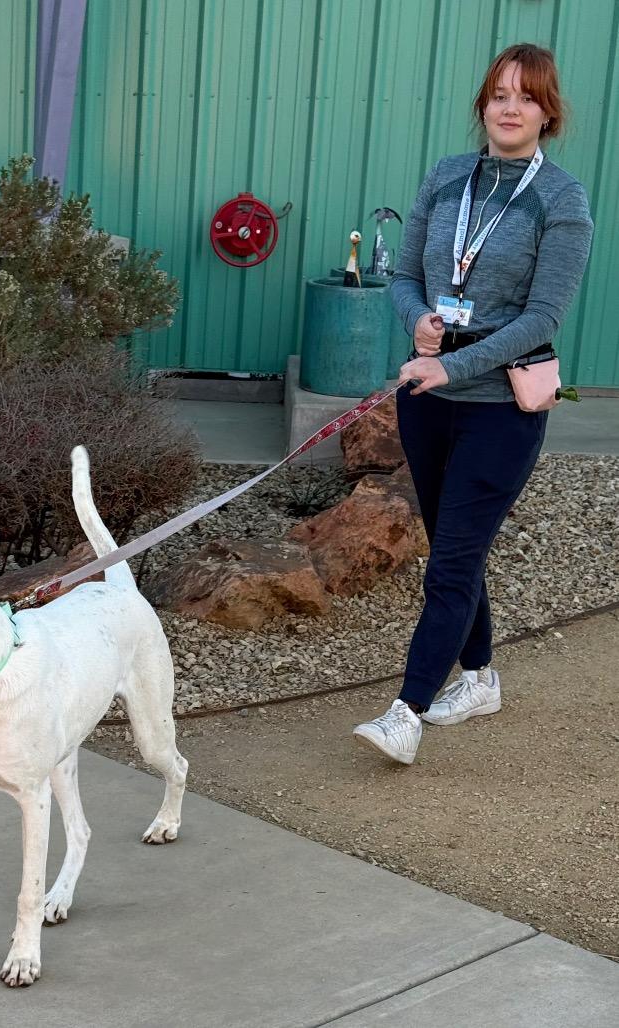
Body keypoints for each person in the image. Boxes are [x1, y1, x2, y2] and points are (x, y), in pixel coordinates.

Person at [353, 43, 594, 765]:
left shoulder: (562, 200)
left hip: (500, 409)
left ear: (548, 113)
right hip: (430, 400)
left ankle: (407, 712)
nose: (510, 108)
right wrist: (418, 319)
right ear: (483, 104)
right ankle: (481, 678)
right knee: (456, 546)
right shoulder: (447, 176)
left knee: (451, 563)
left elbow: (542, 317)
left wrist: (451, 363)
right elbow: (404, 278)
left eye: (527, 96)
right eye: (499, 94)